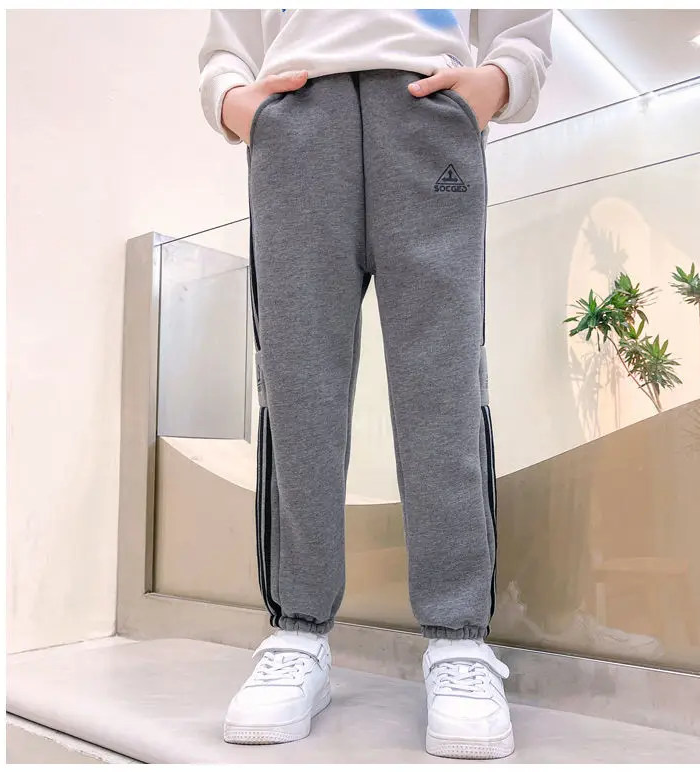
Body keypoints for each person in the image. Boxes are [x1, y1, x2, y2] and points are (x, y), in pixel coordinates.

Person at [198, 8, 552, 760]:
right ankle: (298, 633)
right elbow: (227, 40)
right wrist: (238, 104)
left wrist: (495, 83)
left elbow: (523, 25)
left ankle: (458, 640)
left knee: (444, 389)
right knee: (297, 390)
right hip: (297, 124)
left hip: (426, 112)